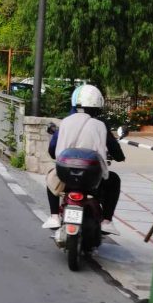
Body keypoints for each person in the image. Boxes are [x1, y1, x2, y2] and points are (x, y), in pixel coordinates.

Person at [41, 84, 124, 235]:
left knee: (50, 178)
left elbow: (52, 150)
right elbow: (117, 153)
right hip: (92, 181)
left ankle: (54, 216)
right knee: (114, 181)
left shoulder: (65, 122)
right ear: (98, 104)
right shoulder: (101, 125)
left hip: (65, 178)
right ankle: (106, 221)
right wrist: (118, 156)